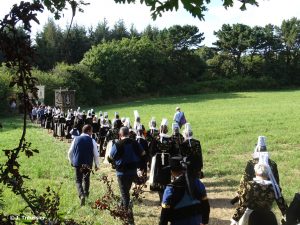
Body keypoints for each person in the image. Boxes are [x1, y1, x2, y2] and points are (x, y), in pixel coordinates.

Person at [231, 136, 287, 216]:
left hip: (251, 204)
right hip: (267, 204)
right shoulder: (273, 164)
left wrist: (239, 194)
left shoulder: (250, 163)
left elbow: (244, 181)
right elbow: (277, 184)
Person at [230, 158, 287, 225]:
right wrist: (286, 218)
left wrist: (235, 220)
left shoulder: (249, 186)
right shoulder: (274, 187)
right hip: (268, 216)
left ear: (255, 172)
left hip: (252, 214)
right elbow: (282, 205)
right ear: (268, 174)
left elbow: (243, 205)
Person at [109, 126, 146, 224]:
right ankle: (121, 210)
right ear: (128, 134)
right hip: (132, 172)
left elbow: (110, 156)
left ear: (120, 135)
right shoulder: (135, 142)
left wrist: (116, 161)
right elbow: (143, 153)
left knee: (125, 195)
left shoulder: (118, 144)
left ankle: (128, 219)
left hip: (121, 173)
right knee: (125, 192)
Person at [159, 156, 210, 225]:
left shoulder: (170, 188)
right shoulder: (197, 182)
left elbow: (165, 212)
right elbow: (205, 203)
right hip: (196, 220)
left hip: (178, 221)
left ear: (172, 172)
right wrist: (204, 221)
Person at [68, 124, 99, 206]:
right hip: (88, 163)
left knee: (78, 180)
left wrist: (71, 161)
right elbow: (96, 154)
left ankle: (81, 195)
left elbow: (70, 152)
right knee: (86, 179)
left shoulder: (76, 139)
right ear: (88, 131)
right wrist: (97, 165)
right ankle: (86, 194)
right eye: (91, 131)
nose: (92, 132)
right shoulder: (92, 140)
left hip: (78, 163)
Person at [149, 119, 176, 202]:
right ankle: (165, 197)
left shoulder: (155, 139)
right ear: (167, 129)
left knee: (158, 178)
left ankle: (161, 198)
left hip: (157, 161)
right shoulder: (171, 140)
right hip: (167, 161)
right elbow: (174, 152)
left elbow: (151, 152)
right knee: (166, 179)